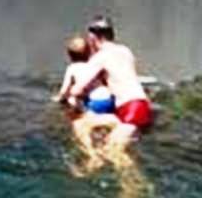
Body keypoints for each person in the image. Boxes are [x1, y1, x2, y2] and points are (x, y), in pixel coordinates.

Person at [68, 16, 153, 150]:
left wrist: (70, 97)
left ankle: (90, 154)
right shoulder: (125, 51)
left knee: (111, 151)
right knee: (106, 143)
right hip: (141, 105)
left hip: (131, 109)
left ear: (93, 37)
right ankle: (93, 159)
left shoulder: (100, 57)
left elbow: (77, 89)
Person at [54, 35, 119, 167]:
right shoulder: (94, 65)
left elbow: (64, 90)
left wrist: (60, 99)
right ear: (90, 52)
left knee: (73, 103)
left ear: (69, 56)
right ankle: (105, 134)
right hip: (109, 100)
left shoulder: (72, 68)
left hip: (95, 104)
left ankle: (92, 153)